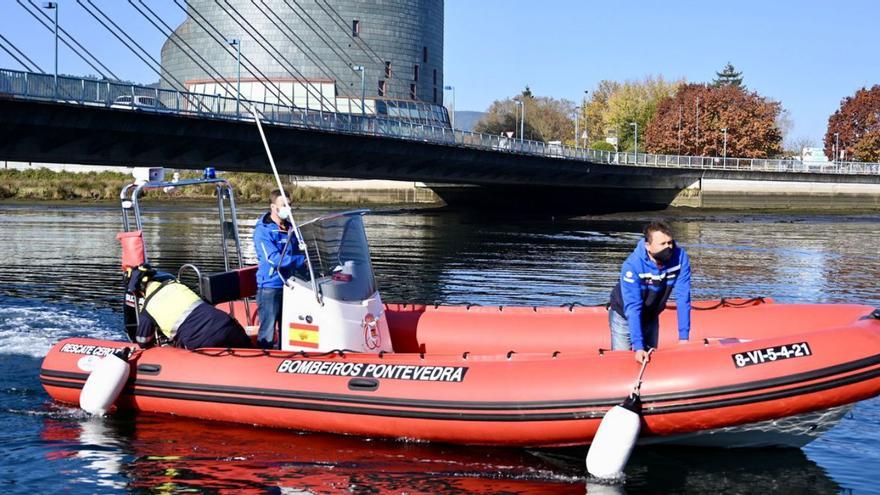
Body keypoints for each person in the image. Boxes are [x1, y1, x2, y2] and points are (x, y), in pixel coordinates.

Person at [608, 220, 691, 364]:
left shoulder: (680, 258)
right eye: (662, 244)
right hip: (624, 315)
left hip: (651, 314)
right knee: (622, 361)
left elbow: (683, 298)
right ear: (648, 245)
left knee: (652, 359)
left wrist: (684, 338)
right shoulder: (632, 265)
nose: (668, 248)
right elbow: (633, 308)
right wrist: (638, 347)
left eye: (670, 243)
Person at [129, 266, 252, 350]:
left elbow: (143, 341)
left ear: (138, 292)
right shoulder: (176, 285)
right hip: (227, 324)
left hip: (202, 340)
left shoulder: (148, 308)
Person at [253, 189, 306, 349]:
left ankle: (285, 356)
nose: (287, 209)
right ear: (273, 207)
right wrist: (301, 260)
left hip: (290, 285)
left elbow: (299, 250)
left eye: (290, 206)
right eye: (284, 205)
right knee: (268, 330)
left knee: (288, 328)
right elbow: (273, 259)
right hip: (270, 286)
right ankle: (263, 359)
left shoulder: (291, 228)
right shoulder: (263, 231)